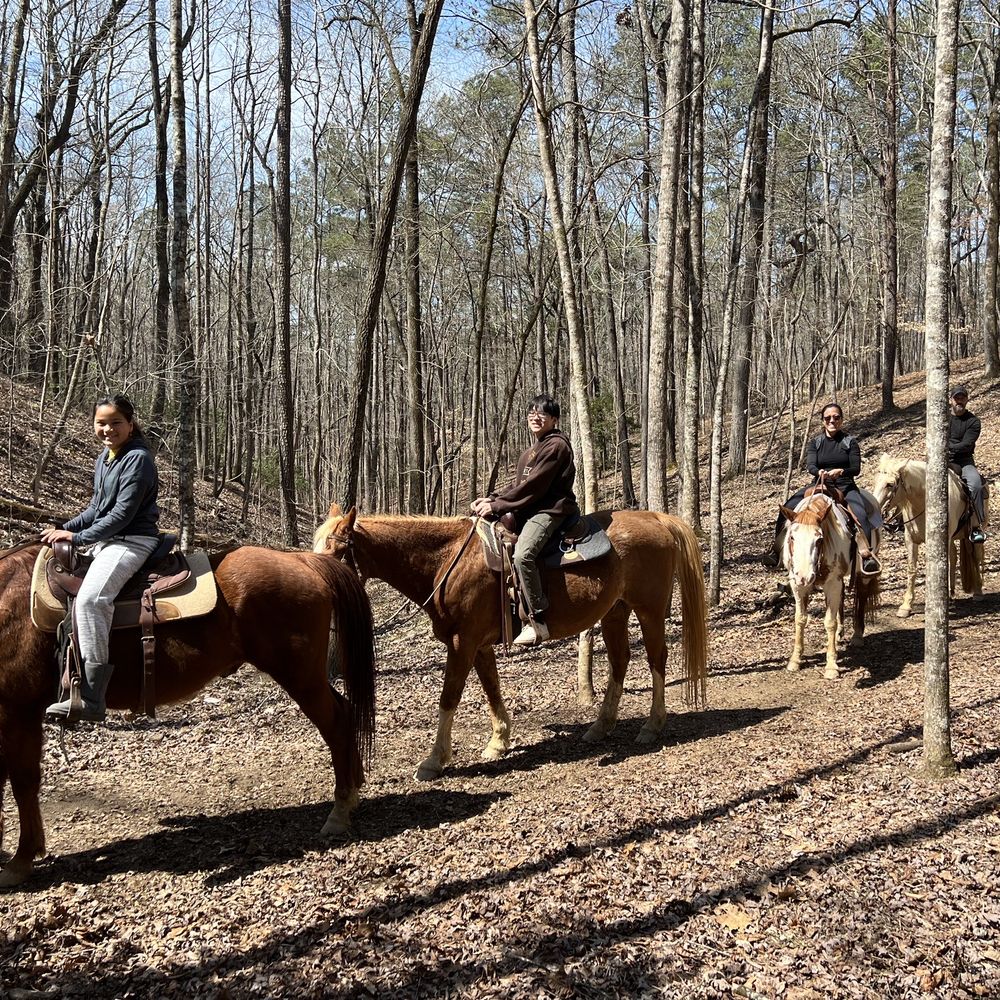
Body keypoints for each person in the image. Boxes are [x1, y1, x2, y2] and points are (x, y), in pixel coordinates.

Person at [43, 394, 161, 722]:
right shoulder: (105, 458)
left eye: (115, 423)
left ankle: (92, 699)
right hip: (106, 540)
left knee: (92, 601)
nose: (108, 429)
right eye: (101, 423)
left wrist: (78, 538)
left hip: (132, 541)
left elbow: (123, 514)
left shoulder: (138, 459)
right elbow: (96, 509)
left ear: (130, 424)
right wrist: (63, 528)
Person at [471, 394, 579, 645]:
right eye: (532, 412)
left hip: (551, 511)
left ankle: (538, 618)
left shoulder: (556, 446)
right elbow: (519, 485)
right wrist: (491, 498)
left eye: (542, 413)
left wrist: (496, 505)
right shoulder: (532, 451)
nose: (535, 416)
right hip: (531, 508)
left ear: (554, 419)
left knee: (523, 554)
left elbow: (534, 487)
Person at [762, 401, 879, 574]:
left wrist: (841, 471)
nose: (832, 421)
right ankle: (776, 550)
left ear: (841, 419)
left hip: (845, 486)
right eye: (828, 418)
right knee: (786, 509)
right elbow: (811, 466)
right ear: (823, 420)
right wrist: (820, 472)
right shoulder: (815, 443)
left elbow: (856, 468)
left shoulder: (850, 442)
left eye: (836, 417)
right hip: (820, 484)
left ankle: (867, 556)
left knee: (860, 514)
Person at [947, 385, 986, 544]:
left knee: (976, 485)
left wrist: (946, 446)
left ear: (967, 399)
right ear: (950, 400)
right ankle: (904, 521)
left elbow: (967, 444)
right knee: (914, 479)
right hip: (941, 460)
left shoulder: (973, 421)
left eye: (962, 397)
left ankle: (976, 525)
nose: (959, 401)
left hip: (964, 462)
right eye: (956, 398)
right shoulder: (941, 418)